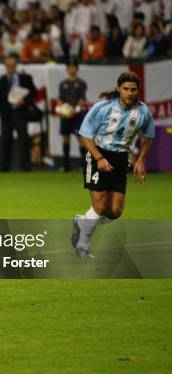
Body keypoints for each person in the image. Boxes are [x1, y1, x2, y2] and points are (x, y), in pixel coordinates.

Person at [71, 71, 154, 259]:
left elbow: (148, 135)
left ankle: (82, 222)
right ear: (119, 89)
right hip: (97, 154)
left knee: (115, 211)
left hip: (120, 158)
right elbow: (85, 135)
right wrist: (99, 158)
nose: (129, 92)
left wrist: (140, 159)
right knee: (100, 206)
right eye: (125, 89)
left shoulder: (143, 111)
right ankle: (82, 246)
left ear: (138, 90)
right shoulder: (103, 107)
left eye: (133, 89)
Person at [0, 55, 36, 172]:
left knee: (23, 139)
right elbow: (0, 98)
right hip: (7, 114)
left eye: (13, 66)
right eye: (8, 66)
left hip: (20, 112)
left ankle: (26, 166)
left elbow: (33, 91)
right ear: (5, 67)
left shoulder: (24, 78)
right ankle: (5, 166)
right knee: (5, 140)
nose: (10, 68)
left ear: (16, 66)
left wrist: (25, 100)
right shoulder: (3, 80)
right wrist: (2, 113)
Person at [57, 60, 87, 172]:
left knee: (81, 140)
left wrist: (75, 110)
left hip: (77, 116)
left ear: (77, 69)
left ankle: (84, 165)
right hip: (65, 116)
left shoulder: (81, 83)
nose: (71, 69)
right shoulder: (63, 84)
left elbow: (82, 99)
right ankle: (66, 166)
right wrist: (61, 110)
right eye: (69, 67)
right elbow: (60, 99)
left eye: (73, 67)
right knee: (65, 139)